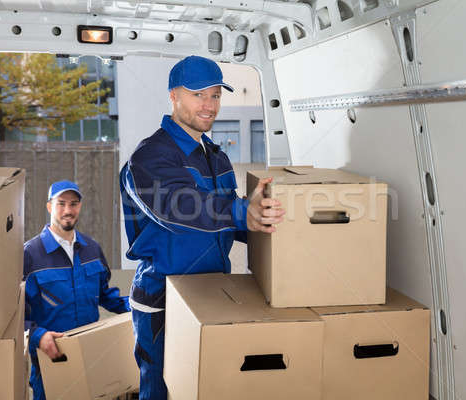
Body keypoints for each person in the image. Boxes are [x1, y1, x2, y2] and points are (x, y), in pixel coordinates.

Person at [120, 55, 285, 399]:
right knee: (164, 389)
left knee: (206, 387)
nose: (209, 105)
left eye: (215, 95)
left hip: (212, 292)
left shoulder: (216, 155)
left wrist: (266, 218)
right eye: (199, 95)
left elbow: (225, 219)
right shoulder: (150, 157)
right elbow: (180, 208)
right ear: (174, 96)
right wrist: (242, 212)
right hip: (163, 299)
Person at [23, 180, 130, 400]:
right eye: (61, 203)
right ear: (49, 206)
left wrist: (140, 307)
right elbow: (12, 315)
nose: (68, 210)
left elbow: (106, 296)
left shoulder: (92, 249)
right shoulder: (30, 255)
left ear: (80, 207)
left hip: (90, 358)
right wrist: (37, 336)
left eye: (74, 204)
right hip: (51, 362)